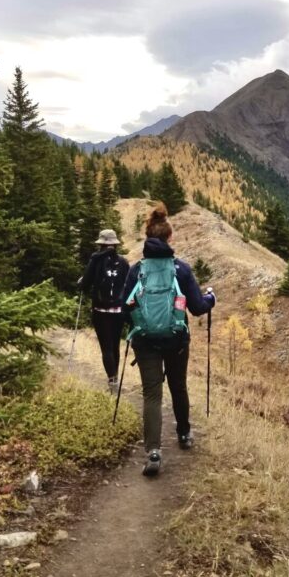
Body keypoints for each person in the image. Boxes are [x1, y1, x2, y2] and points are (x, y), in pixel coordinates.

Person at [122, 203, 216, 476]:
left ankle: (153, 451)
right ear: (169, 238)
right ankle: (184, 434)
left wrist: (139, 324)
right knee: (178, 386)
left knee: (152, 394)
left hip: (146, 341)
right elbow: (197, 307)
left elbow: (124, 306)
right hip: (176, 340)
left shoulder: (136, 270)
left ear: (148, 238)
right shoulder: (181, 269)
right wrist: (212, 297)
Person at [80, 229, 130, 390]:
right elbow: (128, 285)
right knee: (115, 345)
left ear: (101, 244)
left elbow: (85, 284)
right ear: (115, 244)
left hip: (100, 311)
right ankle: (114, 378)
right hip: (118, 311)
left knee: (106, 347)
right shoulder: (123, 262)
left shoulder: (95, 261)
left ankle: (112, 379)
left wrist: (81, 282)